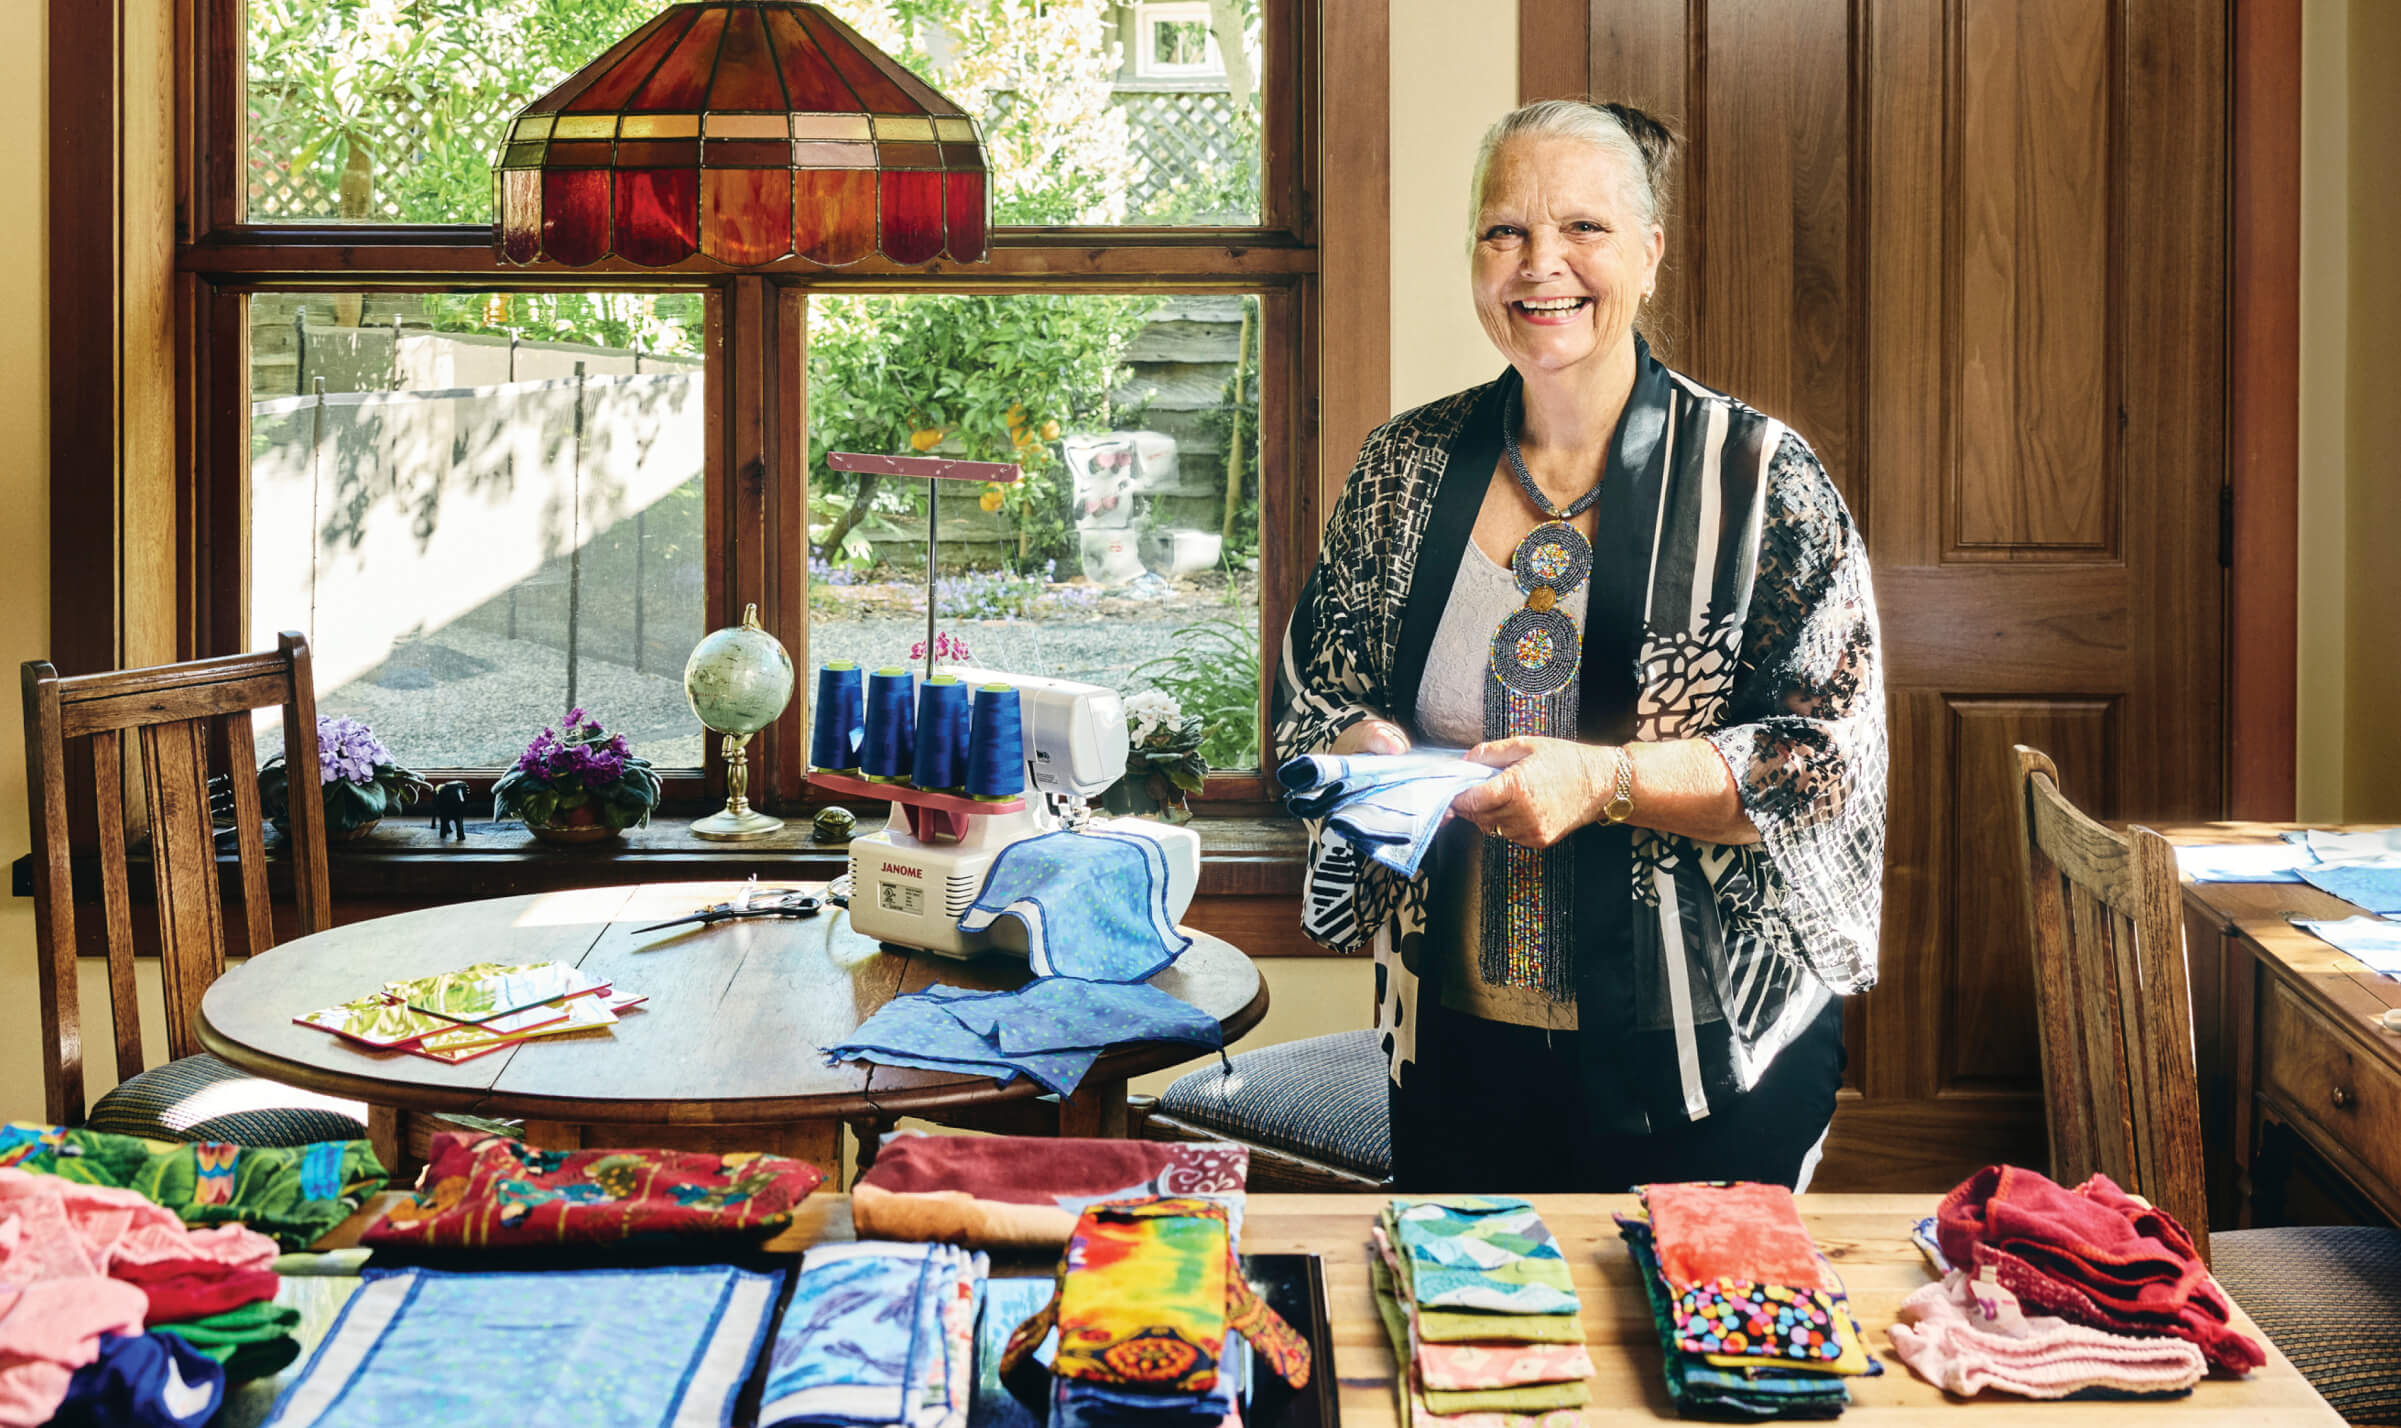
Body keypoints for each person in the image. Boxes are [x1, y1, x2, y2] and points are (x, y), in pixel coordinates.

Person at [1276, 100, 1886, 1192]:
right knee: (1472, 1343)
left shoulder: (1756, 480)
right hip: (1455, 1043)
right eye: (1503, 231)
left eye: (1581, 229)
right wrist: (1362, 746)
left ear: (1649, 253)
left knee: (1689, 1360)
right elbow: (1320, 682)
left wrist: (1605, 780)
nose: (1537, 264)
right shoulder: (1401, 471)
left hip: (1705, 1058)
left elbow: (1821, 761)